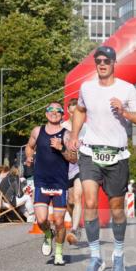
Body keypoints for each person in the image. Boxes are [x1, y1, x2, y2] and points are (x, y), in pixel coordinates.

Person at [68, 45, 136, 271]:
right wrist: (74, 135)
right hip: (90, 153)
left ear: (114, 63)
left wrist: (124, 112)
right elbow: (80, 111)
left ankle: (118, 255)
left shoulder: (127, 89)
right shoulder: (87, 87)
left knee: (116, 210)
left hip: (117, 155)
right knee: (90, 201)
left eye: (106, 60)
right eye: (98, 60)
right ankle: (95, 257)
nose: (102, 64)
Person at [25, 101, 77, 266]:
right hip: (41, 181)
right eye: (50, 110)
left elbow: (74, 158)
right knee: (41, 220)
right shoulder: (37, 131)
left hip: (59, 183)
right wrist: (29, 156)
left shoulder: (67, 134)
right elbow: (29, 146)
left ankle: (59, 253)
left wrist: (61, 148)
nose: (54, 112)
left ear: (63, 114)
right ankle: (48, 234)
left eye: (58, 110)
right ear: (46, 113)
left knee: (60, 221)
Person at [62, 98, 83, 245]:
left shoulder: (85, 127)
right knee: (69, 203)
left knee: (77, 197)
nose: (74, 113)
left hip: (80, 166)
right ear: (68, 112)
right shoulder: (62, 127)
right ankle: (75, 219)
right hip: (64, 167)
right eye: (72, 111)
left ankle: (74, 229)